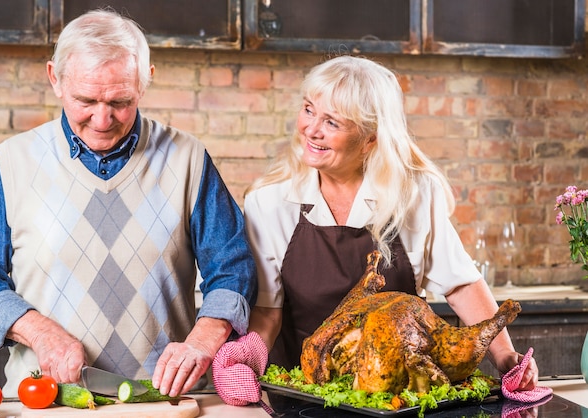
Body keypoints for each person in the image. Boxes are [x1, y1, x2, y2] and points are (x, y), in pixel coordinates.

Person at [0, 9, 257, 398]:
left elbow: (233, 268)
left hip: (167, 401)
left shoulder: (188, 158)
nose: (102, 119)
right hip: (44, 400)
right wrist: (39, 332)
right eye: (86, 100)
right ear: (55, 78)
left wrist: (202, 342)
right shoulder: (12, 162)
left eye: (120, 101)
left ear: (145, 81)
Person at [212, 55, 538, 406]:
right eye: (309, 110)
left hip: (398, 398)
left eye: (332, 122)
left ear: (370, 138)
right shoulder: (270, 203)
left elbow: (461, 285)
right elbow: (268, 312)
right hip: (302, 397)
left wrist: (507, 359)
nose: (311, 129)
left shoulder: (414, 194)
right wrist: (249, 355)